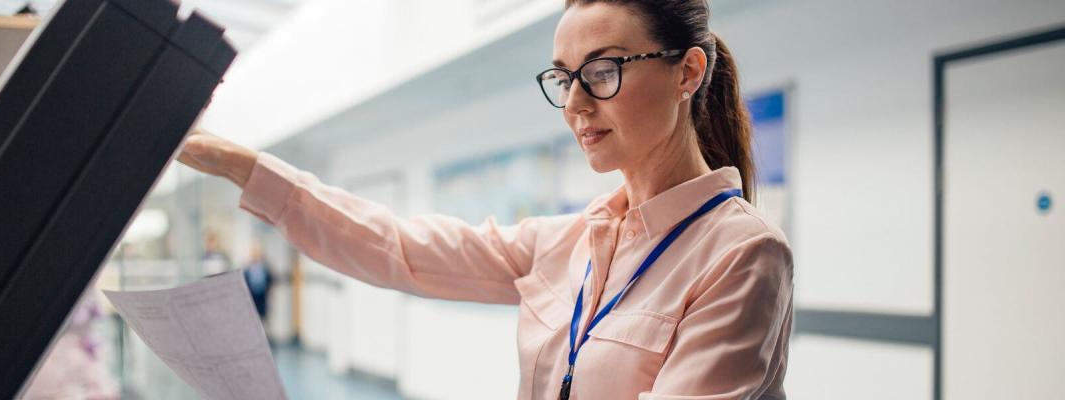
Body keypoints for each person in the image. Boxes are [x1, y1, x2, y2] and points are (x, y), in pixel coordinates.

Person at [178, 0, 793, 398]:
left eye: (602, 70)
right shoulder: (568, 241)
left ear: (687, 72)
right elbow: (396, 246)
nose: (576, 102)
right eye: (563, 76)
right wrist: (235, 163)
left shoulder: (740, 255)